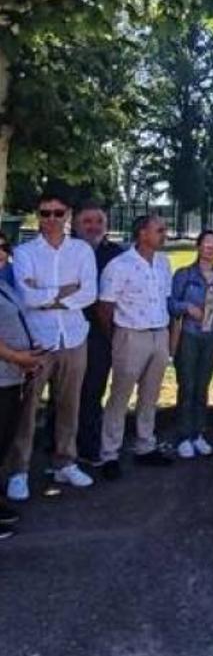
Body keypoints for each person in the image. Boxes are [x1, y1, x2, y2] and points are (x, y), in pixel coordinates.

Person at [6, 190, 98, 501]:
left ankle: (65, 462)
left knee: (69, 405)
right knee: (27, 409)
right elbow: (27, 298)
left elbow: (89, 294)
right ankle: (18, 471)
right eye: (45, 213)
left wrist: (47, 294)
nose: (51, 220)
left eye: (58, 213)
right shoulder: (25, 252)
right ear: (37, 215)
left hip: (73, 337)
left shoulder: (82, 251)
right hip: (37, 341)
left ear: (68, 214)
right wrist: (65, 292)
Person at [98, 215, 175, 479]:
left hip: (159, 333)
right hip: (131, 335)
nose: (164, 234)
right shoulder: (119, 266)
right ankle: (109, 453)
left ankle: (145, 445)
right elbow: (105, 307)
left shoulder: (164, 264)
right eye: (159, 230)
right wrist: (117, 336)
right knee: (120, 395)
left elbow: (164, 299)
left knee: (150, 395)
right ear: (142, 234)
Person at [71, 200, 125, 467]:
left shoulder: (117, 254)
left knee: (93, 390)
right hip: (66, 333)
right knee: (63, 392)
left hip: (101, 334)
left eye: (99, 222)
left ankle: (89, 445)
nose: (93, 227)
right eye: (87, 221)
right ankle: (58, 445)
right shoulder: (65, 251)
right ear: (75, 224)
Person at [169, 230, 213, 460]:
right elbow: (170, 303)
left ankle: (198, 433)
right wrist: (188, 308)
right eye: (207, 244)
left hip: (211, 335)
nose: (211, 249)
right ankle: (183, 436)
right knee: (187, 385)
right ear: (198, 246)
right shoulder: (184, 274)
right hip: (189, 335)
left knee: (203, 386)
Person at [0, 267, 43, 537]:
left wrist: (30, 354)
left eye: (4, 247)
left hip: (12, 376)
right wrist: (18, 358)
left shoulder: (4, 285)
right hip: (6, 371)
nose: (1, 252)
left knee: (3, 439)